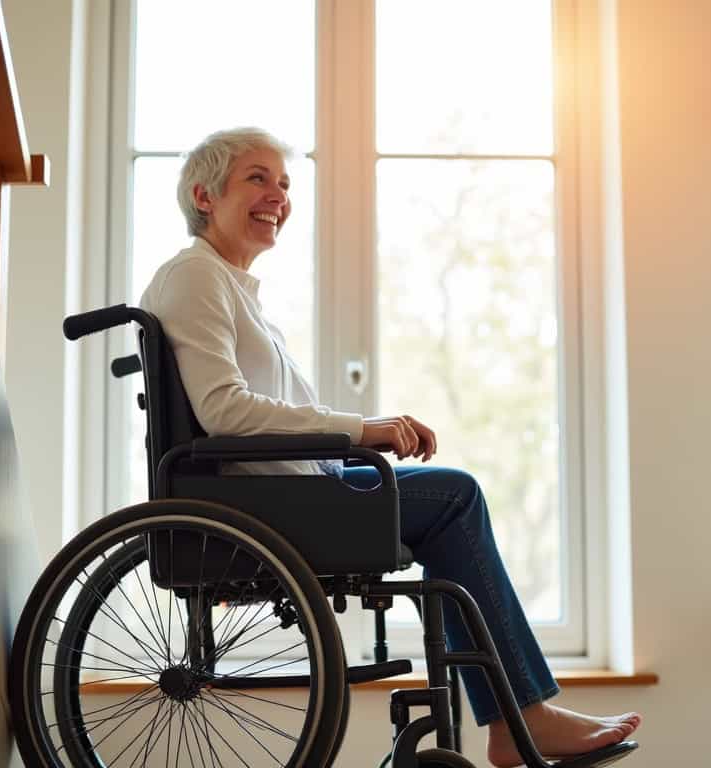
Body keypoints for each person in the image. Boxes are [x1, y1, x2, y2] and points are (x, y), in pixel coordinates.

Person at [139, 127, 641, 767]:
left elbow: (256, 422)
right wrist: (363, 430)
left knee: (449, 499)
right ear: (204, 196)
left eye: (286, 184)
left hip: (286, 492)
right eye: (258, 179)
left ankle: (518, 718)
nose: (278, 196)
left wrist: (352, 446)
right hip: (265, 507)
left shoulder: (232, 288)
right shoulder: (194, 277)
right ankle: (521, 718)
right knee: (454, 497)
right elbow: (224, 411)